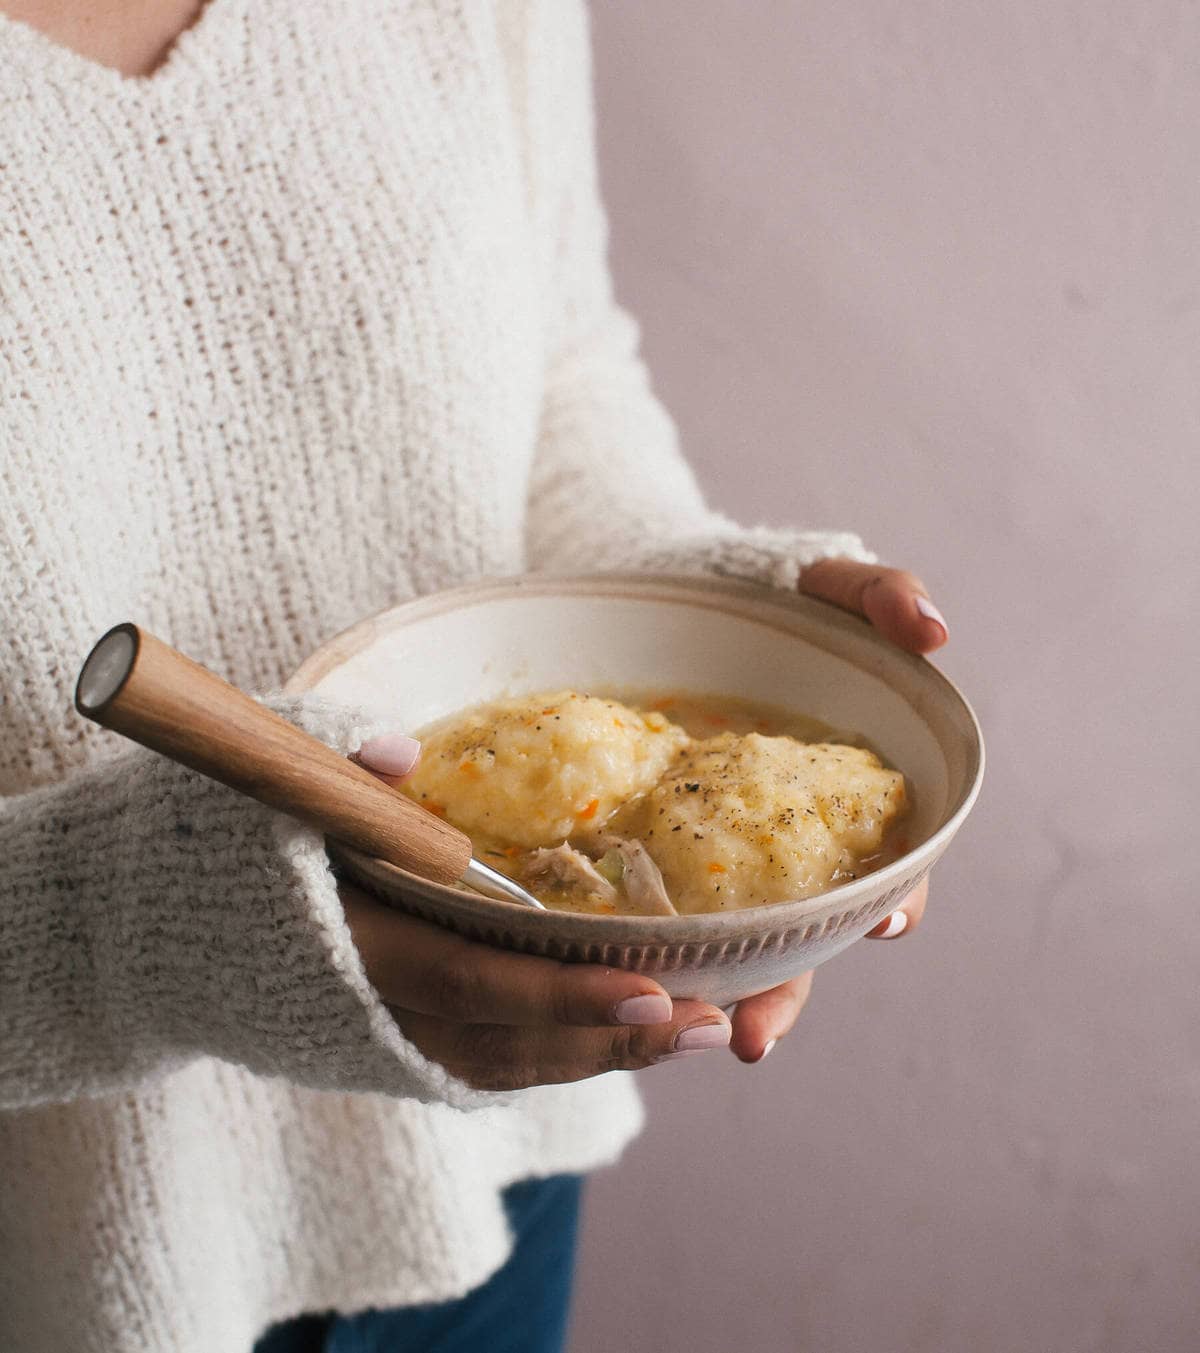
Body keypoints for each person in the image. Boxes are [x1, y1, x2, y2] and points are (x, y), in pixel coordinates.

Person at [0, 2, 945, 1350]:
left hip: (487, 1181)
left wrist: (701, 622)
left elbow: (553, 380)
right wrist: (119, 925)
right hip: (81, 1265)